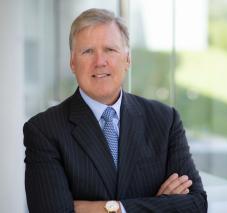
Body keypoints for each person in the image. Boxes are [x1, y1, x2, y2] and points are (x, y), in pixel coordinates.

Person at [23, 8, 207, 213]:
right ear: (73, 62)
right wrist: (160, 203)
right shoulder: (44, 130)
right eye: (88, 51)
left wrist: (115, 209)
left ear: (127, 59)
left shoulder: (164, 120)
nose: (100, 62)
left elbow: (197, 204)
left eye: (110, 50)